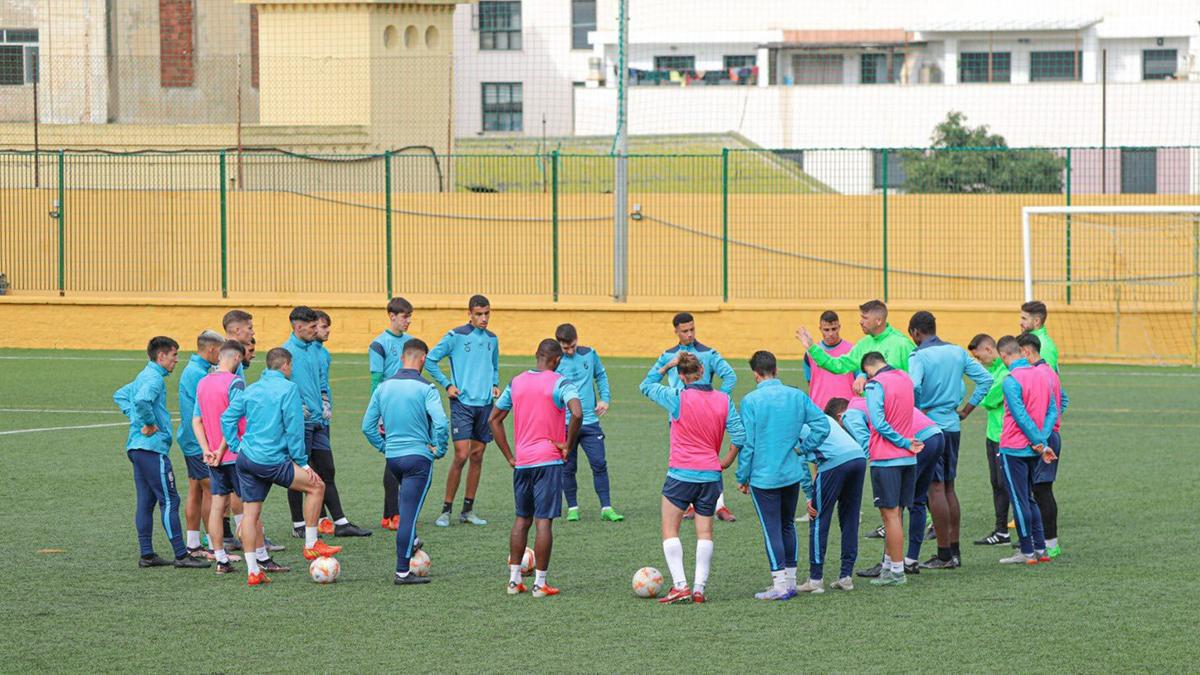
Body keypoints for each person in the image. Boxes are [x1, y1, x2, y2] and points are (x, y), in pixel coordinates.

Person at [222, 348, 342, 586]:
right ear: (286, 365)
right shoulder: (289, 389)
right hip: (271, 460)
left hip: (246, 459)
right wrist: (303, 462)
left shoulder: (252, 388)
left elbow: (226, 418)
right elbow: (294, 428)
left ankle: (253, 571)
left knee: (251, 515)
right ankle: (310, 544)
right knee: (316, 487)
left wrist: (236, 445)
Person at [640, 352, 744, 604]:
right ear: (703, 371)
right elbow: (740, 436)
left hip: (681, 475)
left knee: (669, 530)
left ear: (682, 376)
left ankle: (680, 586)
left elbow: (645, 386)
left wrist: (665, 366)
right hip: (711, 476)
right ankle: (699, 589)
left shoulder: (677, 397)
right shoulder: (723, 399)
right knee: (705, 533)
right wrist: (725, 462)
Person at [489, 339, 583, 598]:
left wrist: (510, 456)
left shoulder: (516, 382)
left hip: (524, 462)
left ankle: (513, 581)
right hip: (548, 462)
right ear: (557, 360)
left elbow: (493, 419)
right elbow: (577, 412)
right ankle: (540, 584)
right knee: (544, 522)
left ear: (536, 355)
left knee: (521, 519)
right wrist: (567, 445)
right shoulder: (560, 381)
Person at [735, 350, 830, 600]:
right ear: (775, 370)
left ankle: (779, 585)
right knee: (787, 525)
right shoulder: (797, 396)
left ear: (756, 375)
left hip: (763, 476)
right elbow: (823, 425)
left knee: (771, 529)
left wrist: (742, 476)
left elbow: (749, 444)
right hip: (790, 473)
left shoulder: (750, 401)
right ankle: (789, 581)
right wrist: (804, 448)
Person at [113, 336, 209, 570]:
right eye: (174, 355)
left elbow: (121, 395)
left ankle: (147, 554)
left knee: (146, 501)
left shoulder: (144, 375)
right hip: (151, 448)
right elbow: (143, 400)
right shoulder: (154, 379)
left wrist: (135, 419)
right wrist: (148, 422)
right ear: (162, 356)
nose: (177, 360)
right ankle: (180, 554)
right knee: (170, 499)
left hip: (137, 448)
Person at [906, 311, 992, 569]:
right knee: (949, 487)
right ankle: (954, 551)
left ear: (916, 333)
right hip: (953, 425)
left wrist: (919, 410)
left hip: (930, 428)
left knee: (934, 488)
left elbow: (913, 387)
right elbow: (986, 379)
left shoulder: (919, 356)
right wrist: (967, 409)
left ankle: (943, 554)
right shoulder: (957, 352)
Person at [194, 340, 286, 575]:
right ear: (235, 358)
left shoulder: (203, 383)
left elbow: (197, 420)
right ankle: (261, 558)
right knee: (251, 508)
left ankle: (221, 561)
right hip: (234, 455)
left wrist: (208, 449)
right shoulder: (235, 382)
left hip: (212, 456)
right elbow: (231, 419)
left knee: (217, 507)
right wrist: (223, 450)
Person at [362, 339, 449, 585]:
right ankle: (402, 571)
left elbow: (367, 426)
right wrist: (439, 448)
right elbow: (441, 422)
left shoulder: (383, 387)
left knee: (405, 504)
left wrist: (384, 446)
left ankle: (412, 541)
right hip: (418, 459)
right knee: (409, 515)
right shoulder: (427, 388)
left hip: (394, 459)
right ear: (423, 359)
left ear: (402, 358)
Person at [828, 397, 942, 578]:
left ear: (840, 417)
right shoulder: (865, 401)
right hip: (935, 433)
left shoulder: (850, 415)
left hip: (917, 439)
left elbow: (867, 446)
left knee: (893, 507)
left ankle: (888, 564)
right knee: (917, 500)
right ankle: (910, 560)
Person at [282, 306, 370, 538]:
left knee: (327, 470)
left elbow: (321, 380)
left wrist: (323, 401)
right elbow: (281, 383)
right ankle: (298, 525)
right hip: (301, 423)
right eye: (312, 327)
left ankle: (340, 522)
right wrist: (296, 407)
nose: (315, 331)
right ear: (298, 327)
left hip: (320, 421)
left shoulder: (316, 349)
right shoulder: (286, 352)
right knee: (298, 474)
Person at [647, 312, 739, 522]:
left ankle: (720, 505)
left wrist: (718, 400)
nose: (689, 334)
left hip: (706, 415)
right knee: (684, 458)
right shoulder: (667, 355)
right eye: (685, 331)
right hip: (679, 416)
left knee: (710, 456)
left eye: (692, 329)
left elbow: (730, 376)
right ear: (676, 331)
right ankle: (690, 504)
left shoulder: (708, 353)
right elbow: (653, 377)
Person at [427, 294, 500, 527]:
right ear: (469, 314)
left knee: (478, 455)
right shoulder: (455, 336)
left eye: (487, 313)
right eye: (479, 314)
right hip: (463, 404)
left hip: (485, 404)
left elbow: (494, 366)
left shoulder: (492, 339)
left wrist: (495, 385)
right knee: (461, 454)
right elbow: (430, 360)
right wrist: (447, 384)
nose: (484, 318)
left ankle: (467, 510)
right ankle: (445, 510)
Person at [860, 352, 925, 587]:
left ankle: (897, 571)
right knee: (896, 515)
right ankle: (889, 566)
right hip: (908, 460)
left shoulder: (875, 385)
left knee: (890, 516)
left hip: (886, 458)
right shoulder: (905, 378)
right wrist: (907, 441)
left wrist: (902, 441)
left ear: (869, 369)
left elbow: (877, 422)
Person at [995, 336, 1058, 566]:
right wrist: (1042, 441)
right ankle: (1041, 548)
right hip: (1034, 448)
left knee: (1019, 500)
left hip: (1014, 448)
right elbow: (1053, 410)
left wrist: (1038, 442)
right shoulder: (1043, 374)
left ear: (1003, 356)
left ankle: (1027, 551)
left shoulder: (1011, 380)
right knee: (1030, 499)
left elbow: (1020, 416)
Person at [554, 323, 623, 522]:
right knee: (568, 467)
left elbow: (600, 375)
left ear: (577, 339)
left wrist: (605, 399)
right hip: (565, 425)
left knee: (599, 463)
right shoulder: (556, 361)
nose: (569, 351)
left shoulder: (590, 354)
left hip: (590, 422)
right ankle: (573, 508)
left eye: (572, 346)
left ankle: (606, 508)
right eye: (565, 348)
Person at [797, 404, 866, 593]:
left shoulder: (792, 422)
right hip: (858, 458)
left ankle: (816, 580)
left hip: (834, 462)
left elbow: (801, 462)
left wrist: (810, 496)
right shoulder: (821, 416)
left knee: (818, 518)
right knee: (850, 518)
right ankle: (846, 577)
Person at [797, 299, 916, 396]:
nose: (860, 322)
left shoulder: (902, 344)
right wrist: (812, 347)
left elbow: (915, 383)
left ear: (878, 321)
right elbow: (838, 365)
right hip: (872, 415)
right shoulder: (863, 344)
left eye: (865, 318)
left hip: (898, 413)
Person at [369, 297, 417, 531]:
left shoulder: (411, 343)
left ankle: (390, 514)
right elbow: (376, 381)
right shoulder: (379, 344)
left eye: (410, 316)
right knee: (394, 460)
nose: (408, 321)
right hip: (389, 408)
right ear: (392, 316)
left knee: (401, 457)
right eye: (405, 316)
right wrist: (378, 413)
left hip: (408, 406)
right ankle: (393, 513)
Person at [176, 329, 224, 559]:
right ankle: (216, 547)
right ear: (212, 349)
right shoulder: (198, 374)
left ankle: (193, 544)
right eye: (220, 352)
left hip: (190, 440)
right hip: (199, 443)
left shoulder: (196, 369)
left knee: (196, 490)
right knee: (213, 493)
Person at [1023, 333, 1068, 558]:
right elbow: (1064, 399)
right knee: (1039, 489)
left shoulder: (1039, 373)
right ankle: (1041, 539)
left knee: (1042, 489)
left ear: (1027, 352)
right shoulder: (1050, 372)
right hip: (1048, 434)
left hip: (1044, 437)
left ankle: (1050, 542)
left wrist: (1044, 430)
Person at [965, 334, 1012, 546]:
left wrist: (982, 397)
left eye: (979, 357)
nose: (978, 361)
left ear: (989, 350)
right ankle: (1001, 531)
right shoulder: (993, 371)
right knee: (997, 483)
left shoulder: (1004, 373)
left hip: (1007, 437)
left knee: (1008, 484)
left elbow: (989, 399)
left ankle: (1018, 531)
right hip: (993, 434)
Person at [802, 310, 856, 411]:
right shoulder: (810, 353)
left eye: (834, 329)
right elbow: (810, 381)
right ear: (820, 329)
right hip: (819, 408)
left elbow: (859, 379)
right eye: (826, 330)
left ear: (839, 327)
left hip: (847, 408)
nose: (831, 333)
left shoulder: (852, 350)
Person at [1019, 300, 1059, 371]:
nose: (1020, 323)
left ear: (1037, 321)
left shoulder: (1045, 346)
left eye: (1024, 319)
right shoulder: (1026, 340)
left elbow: (1047, 377)